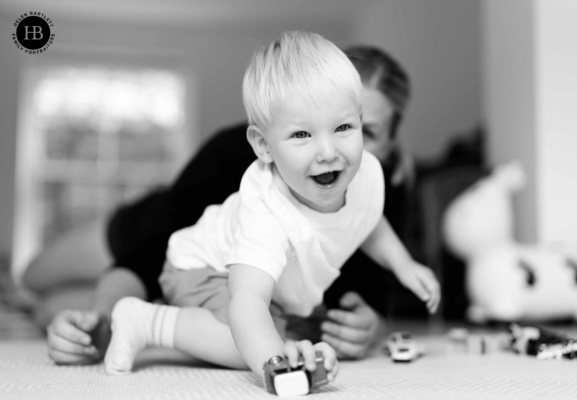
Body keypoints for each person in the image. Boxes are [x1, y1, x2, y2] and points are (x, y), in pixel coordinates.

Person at [41, 42, 421, 365]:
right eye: (305, 130)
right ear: (265, 143)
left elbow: (378, 290)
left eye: (354, 129)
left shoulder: (380, 182)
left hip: (250, 288)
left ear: (390, 143)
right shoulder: (234, 157)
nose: (329, 151)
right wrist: (101, 315)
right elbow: (147, 258)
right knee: (40, 283)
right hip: (155, 236)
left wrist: (372, 326)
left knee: (51, 311)